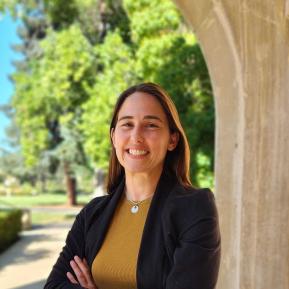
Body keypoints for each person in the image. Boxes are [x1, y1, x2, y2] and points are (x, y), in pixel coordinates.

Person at [44, 83, 221, 289]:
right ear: (113, 137)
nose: (136, 136)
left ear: (172, 139)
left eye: (151, 125)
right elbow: (54, 286)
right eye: (127, 124)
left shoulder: (195, 208)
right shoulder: (92, 214)